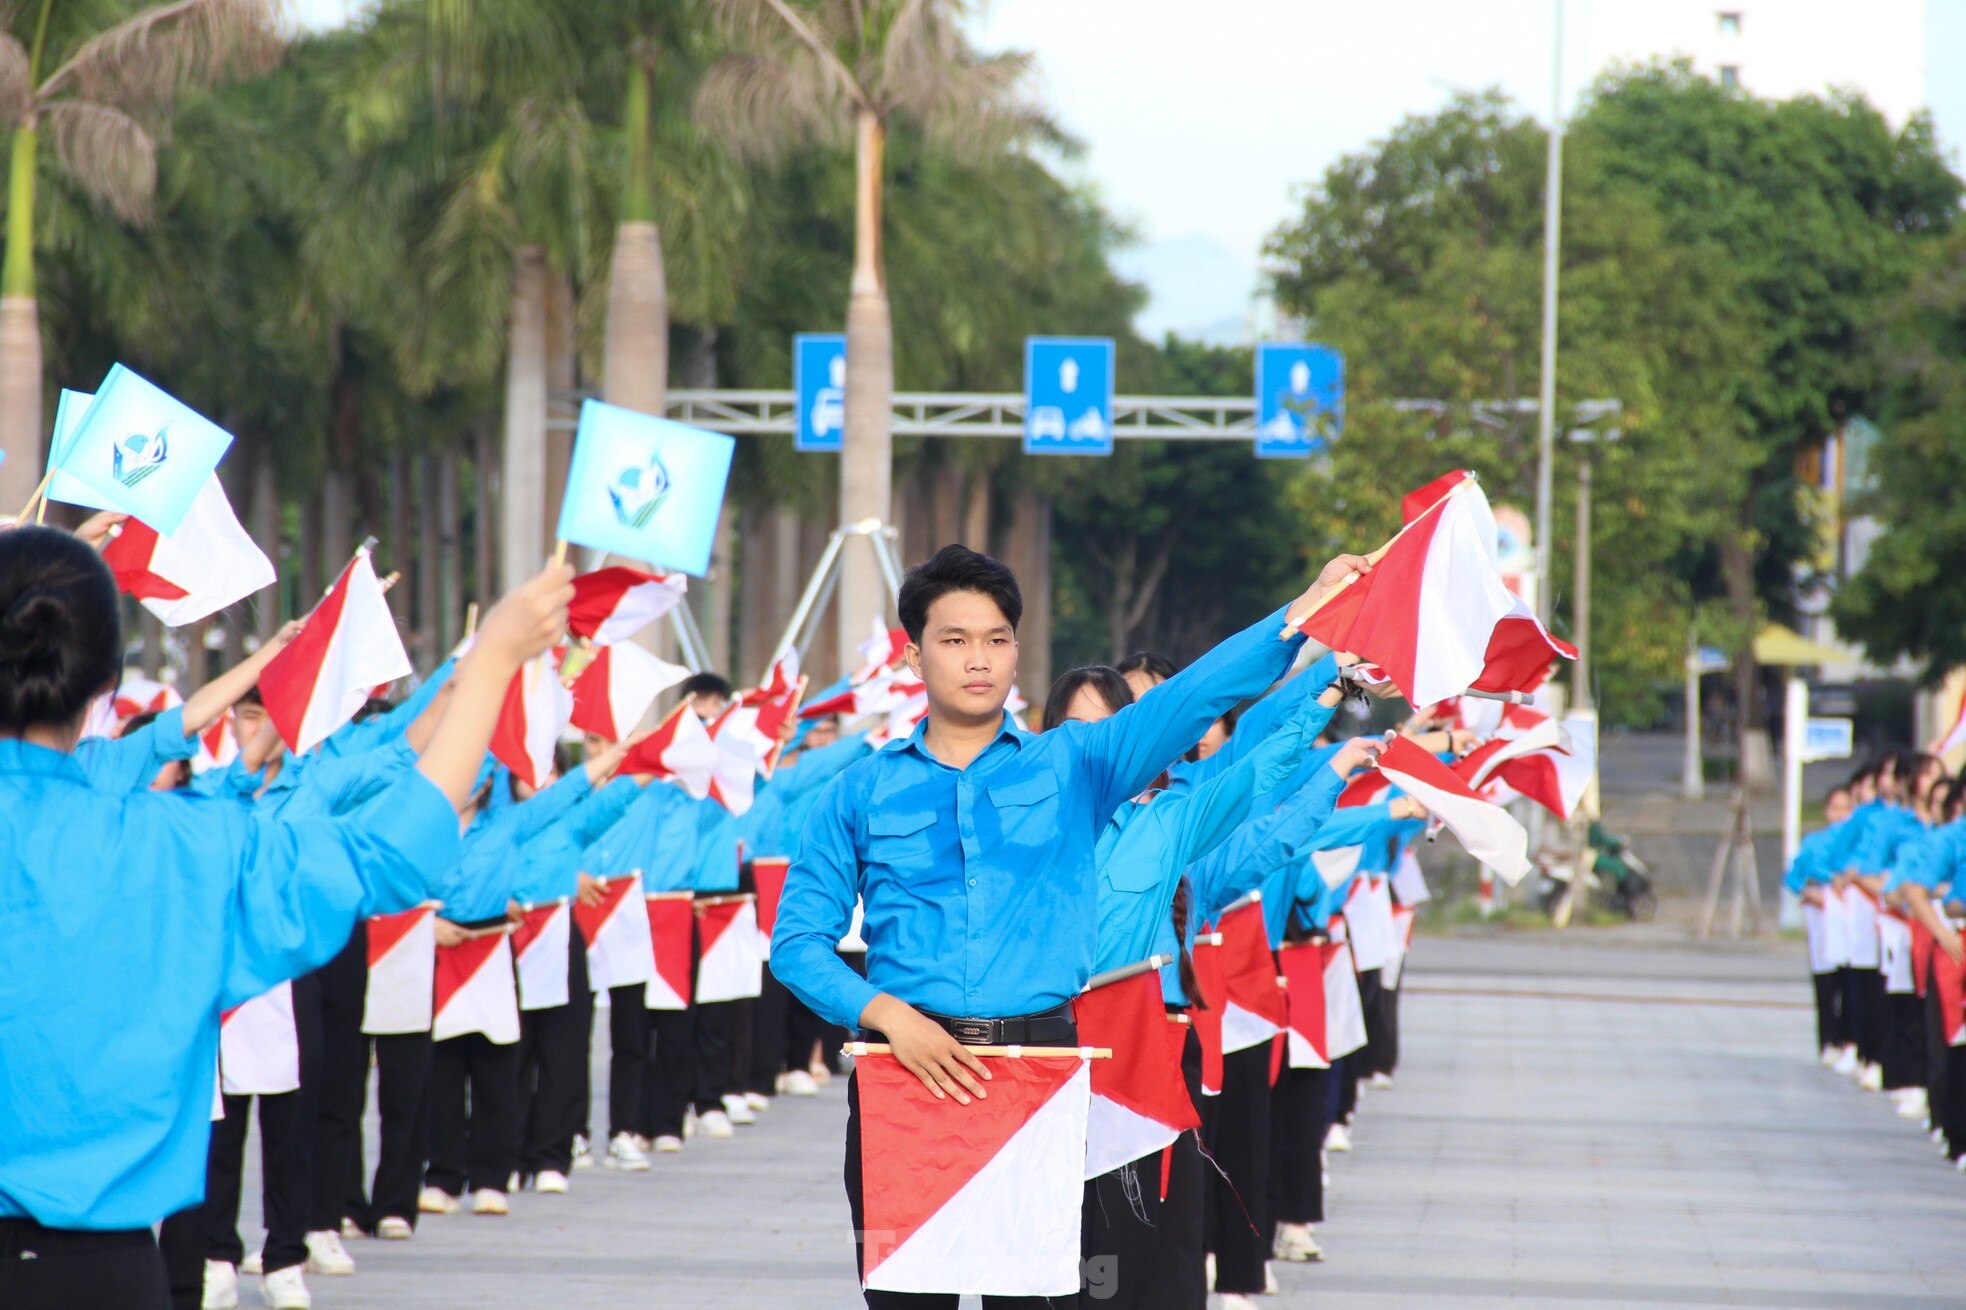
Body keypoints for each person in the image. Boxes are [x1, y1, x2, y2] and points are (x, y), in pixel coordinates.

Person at [773, 542, 1369, 1307]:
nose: (977, 659)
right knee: (904, 1299)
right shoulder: (859, 793)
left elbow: (1190, 697)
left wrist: (1303, 613)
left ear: (1017, 652)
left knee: (1033, 1297)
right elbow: (796, 944)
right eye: (953, 640)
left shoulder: (1078, 765)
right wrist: (886, 1015)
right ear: (915, 657)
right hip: (905, 1077)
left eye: (995, 639)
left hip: (1038, 1070)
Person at [0, 523, 571, 1310]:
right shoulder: (185, 850)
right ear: (105, 681)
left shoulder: (183, 835)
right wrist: (495, 662)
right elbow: (389, 854)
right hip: (98, 1272)